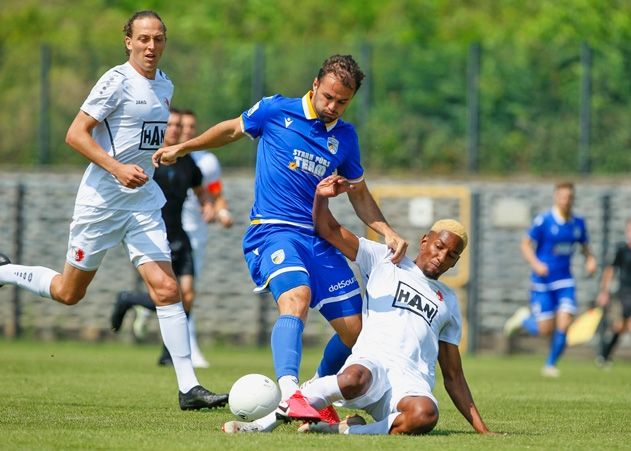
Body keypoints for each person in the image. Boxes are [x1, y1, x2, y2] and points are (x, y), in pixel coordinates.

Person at [152, 54, 408, 425]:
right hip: (273, 230)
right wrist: (183, 147)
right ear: (315, 84)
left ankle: (314, 391)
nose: (333, 106)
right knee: (297, 297)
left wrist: (386, 230)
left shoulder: (346, 138)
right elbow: (231, 130)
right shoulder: (275, 110)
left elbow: (359, 192)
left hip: (320, 240)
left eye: (342, 102)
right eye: (329, 97)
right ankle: (289, 392)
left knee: (360, 335)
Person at [0, 11, 227, 410]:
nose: (151, 46)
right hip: (102, 202)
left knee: (168, 289)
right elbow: (76, 134)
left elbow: (142, 138)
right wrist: (117, 167)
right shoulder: (115, 81)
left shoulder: (166, 86)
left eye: (158, 39)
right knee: (70, 293)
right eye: (143, 39)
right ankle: (4, 271)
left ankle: (188, 388)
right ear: (128, 41)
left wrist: (157, 157)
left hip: (141, 202)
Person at [223, 175, 490, 435]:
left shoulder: (449, 301)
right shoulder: (386, 259)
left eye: (451, 255)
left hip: (410, 381)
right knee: (353, 378)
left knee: (425, 415)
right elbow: (328, 230)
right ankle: (262, 424)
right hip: (371, 363)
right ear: (425, 241)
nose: (442, 257)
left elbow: (453, 374)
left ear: (455, 262)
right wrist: (321, 198)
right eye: (439, 246)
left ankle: (343, 431)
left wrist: (482, 430)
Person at [111, 108, 218, 368]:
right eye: (170, 124)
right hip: (154, 234)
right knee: (168, 294)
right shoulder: (148, 157)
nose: (174, 129)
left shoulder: (187, 161)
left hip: (180, 235)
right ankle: (128, 299)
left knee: (188, 295)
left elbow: (200, 189)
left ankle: (168, 352)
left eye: (178, 125)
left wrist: (208, 204)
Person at [504, 182, 597, 377]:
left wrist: (590, 259)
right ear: (556, 197)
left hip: (565, 281)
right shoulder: (544, 221)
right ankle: (524, 319)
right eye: (562, 197)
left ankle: (550, 364)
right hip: (542, 282)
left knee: (564, 323)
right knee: (545, 329)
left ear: (573, 199)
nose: (566, 201)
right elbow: (525, 244)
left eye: (569, 197)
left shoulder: (578, 223)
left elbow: (585, 246)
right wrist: (536, 264)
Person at [180, 109, 233, 368]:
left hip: (195, 235)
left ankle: (188, 349)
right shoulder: (164, 155)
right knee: (172, 291)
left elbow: (215, 193)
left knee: (186, 293)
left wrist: (220, 211)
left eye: (191, 126)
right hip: (164, 229)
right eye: (181, 125)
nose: (186, 130)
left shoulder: (207, 162)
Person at [595, 218, 631, 366]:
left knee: (623, 327)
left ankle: (603, 355)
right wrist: (604, 291)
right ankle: (604, 354)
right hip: (624, 293)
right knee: (620, 326)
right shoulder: (621, 249)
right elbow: (610, 271)